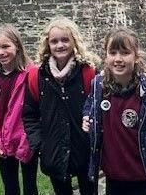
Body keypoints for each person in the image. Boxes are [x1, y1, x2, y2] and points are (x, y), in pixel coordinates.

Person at [82, 27, 146, 195]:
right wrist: (87, 115)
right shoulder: (98, 86)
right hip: (114, 180)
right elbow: (89, 105)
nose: (118, 59)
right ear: (106, 55)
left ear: (136, 56)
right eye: (113, 52)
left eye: (125, 53)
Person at [22, 17, 99, 195]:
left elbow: (98, 109)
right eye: (54, 41)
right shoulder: (37, 76)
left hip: (84, 149)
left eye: (65, 40)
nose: (60, 45)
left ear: (74, 41)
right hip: (54, 150)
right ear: (47, 44)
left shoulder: (88, 72)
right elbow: (29, 114)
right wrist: (40, 145)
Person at [0, 24, 38, 195]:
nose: (1, 52)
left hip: (25, 140)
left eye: (6, 46)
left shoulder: (31, 73)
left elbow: (37, 110)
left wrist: (30, 139)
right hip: (1, 141)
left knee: (30, 185)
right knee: (10, 187)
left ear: (17, 46)